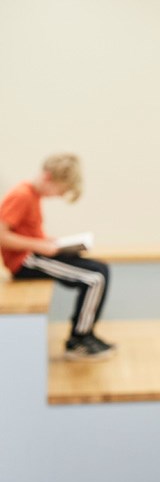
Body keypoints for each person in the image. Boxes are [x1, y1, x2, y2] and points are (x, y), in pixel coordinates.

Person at [0, 154, 115, 360]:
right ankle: (79, 340)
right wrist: (38, 245)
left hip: (35, 256)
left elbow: (25, 231)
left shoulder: (32, 195)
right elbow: (2, 235)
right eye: (60, 190)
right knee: (94, 278)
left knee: (101, 268)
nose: (59, 196)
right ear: (48, 177)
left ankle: (86, 334)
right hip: (25, 262)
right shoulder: (22, 195)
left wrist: (47, 241)